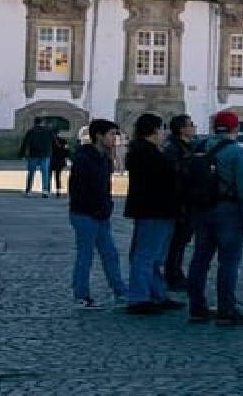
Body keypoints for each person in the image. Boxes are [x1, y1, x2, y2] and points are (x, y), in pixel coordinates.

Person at [185, 110, 243, 326]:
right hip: (228, 212)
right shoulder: (238, 152)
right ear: (236, 129)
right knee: (228, 262)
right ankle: (226, 309)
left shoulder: (198, 147)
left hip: (200, 209)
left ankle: (197, 307)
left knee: (200, 259)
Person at [123, 113, 183, 315]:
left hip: (153, 209)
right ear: (154, 130)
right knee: (146, 255)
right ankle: (139, 297)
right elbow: (167, 177)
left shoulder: (142, 151)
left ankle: (157, 293)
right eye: (162, 129)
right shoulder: (148, 153)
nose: (164, 133)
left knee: (153, 256)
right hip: (155, 210)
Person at [68, 118, 128, 309]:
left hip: (101, 214)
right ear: (98, 136)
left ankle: (120, 290)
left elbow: (105, 187)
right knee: (85, 255)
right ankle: (81, 295)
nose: (114, 138)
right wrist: (95, 208)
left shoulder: (104, 158)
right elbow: (78, 190)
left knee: (110, 253)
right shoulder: (83, 159)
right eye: (111, 134)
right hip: (85, 214)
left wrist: (107, 206)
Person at [163, 114, 197, 291]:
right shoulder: (174, 148)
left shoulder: (185, 146)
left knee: (182, 241)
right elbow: (176, 174)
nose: (194, 127)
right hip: (179, 201)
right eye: (191, 125)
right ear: (182, 129)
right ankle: (172, 274)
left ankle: (176, 272)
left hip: (187, 200)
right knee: (176, 241)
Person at [19, 117, 56, 198]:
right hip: (45, 155)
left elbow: (25, 143)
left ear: (35, 123)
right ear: (42, 122)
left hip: (33, 154)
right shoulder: (49, 131)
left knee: (31, 173)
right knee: (45, 174)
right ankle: (45, 191)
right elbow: (54, 142)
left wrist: (22, 154)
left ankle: (28, 191)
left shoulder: (31, 131)